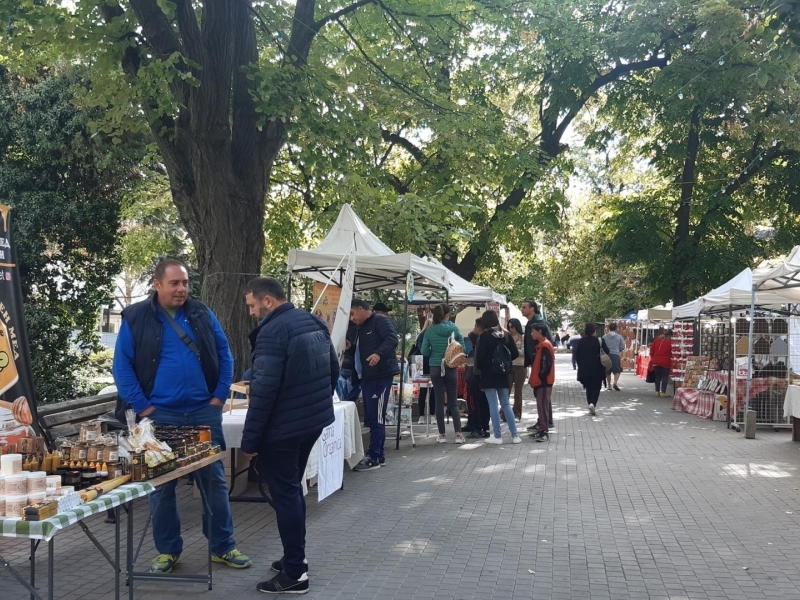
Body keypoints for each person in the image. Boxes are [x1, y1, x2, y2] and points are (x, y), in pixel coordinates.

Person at [112, 259, 251, 574]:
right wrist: (145, 407)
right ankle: (168, 550)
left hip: (204, 412)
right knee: (162, 484)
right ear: (157, 285)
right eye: (174, 283)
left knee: (214, 481)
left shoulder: (201, 312)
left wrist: (218, 396)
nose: (182, 289)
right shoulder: (135, 317)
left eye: (185, 283)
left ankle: (223, 546)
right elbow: (122, 367)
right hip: (161, 414)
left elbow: (224, 352)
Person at [240, 277, 338, 594]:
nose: (252, 312)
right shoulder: (312, 321)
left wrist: (250, 442)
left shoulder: (272, 332)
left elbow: (263, 392)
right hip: (311, 420)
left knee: (285, 494)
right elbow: (333, 370)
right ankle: (294, 558)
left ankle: (295, 572)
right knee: (291, 489)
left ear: (268, 301)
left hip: (283, 428)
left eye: (253, 305)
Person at [349, 298, 400, 470]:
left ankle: (375, 456)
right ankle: (377, 455)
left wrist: (378, 354)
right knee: (371, 417)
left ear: (361, 309)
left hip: (380, 376)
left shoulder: (380, 320)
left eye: (352, 313)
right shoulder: (361, 327)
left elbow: (392, 339)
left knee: (377, 416)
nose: (352, 318)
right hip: (368, 377)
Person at [421, 304, 466, 444]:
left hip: (435, 367)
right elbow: (462, 347)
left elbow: (424, 351)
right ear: (447, 314)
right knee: (452, 402)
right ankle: (458, 435)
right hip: (450, 366)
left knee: (439, 401)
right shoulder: (454, 328)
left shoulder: (429, 330)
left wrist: (434, 352)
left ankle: (442, 435)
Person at [475, 310, 522, 444]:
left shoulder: (484, 335)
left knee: (493, 404)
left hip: (489, 374)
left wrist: (483, 368)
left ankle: (497, 436)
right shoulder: (506, 334)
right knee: (506, 403)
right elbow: (514, 354)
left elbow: (480, 357)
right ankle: (515, 435)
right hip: (504, 373)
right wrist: (505, 361)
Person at [576, 322, 610, 415]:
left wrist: (580, 366)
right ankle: (592, 403)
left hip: (585, 369)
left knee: (588, 387)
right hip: (597, 368)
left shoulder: (581, 341)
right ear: (594, 331)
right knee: (596, 387)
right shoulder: (599, 340)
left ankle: (589, 403)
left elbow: (577, 355)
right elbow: (607, 351)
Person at [528, 323, 555, 442]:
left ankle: (544, 431)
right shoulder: (541, 345)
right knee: (541, 406)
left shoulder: (544, 345)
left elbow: (546, 364)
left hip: (543, 382)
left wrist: (541, 377)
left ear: (539, 331)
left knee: (542, 406)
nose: (531, 333)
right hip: (541, 382)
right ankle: (541, 429)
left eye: (533, 331)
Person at [408, 316, 435, 424]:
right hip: (430, 364)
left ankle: (421, 416)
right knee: (432, 391)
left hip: (420, 364)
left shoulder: (420, 336)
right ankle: (432, 416)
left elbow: (420, 349)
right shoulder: (432, 335)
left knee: (422, 392)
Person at [336, 320, 361, 402]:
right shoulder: (358, 329)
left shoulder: (337, 328)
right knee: (350, 400)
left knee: (340, 399)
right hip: (352, 367)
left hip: (340, 365)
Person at [507, 318, 526, 421]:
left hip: (520, 366)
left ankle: (517, 414)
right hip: (509, 366)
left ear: (517, 326)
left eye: (512, 327)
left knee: (518, 392)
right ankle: (505, 413)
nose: (510, 329)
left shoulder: (523, 338)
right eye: (509, 327)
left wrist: (513, 350)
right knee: (507, 390)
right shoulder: (507, 337)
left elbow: (524, 352)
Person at [602, 322, 627, 391]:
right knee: (617, 370)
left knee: (607, 371)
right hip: (615, 355)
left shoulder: (604, 337)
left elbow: (602, 346)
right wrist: (617, 350)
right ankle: (615, 382)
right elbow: (622, 346)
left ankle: (609, 385)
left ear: (609, 328)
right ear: (616, 328)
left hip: (607, 355)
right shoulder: (619, 337)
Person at [650, 328, 673, 397]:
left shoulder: (657, 340)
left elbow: (652, 349)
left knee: (657, 376)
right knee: (664, 376)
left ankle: (657, 391)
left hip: (656, 360)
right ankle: (663, 392)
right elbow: (672, 352)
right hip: (665, 361)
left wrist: (653, 357)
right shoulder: (670, 342)